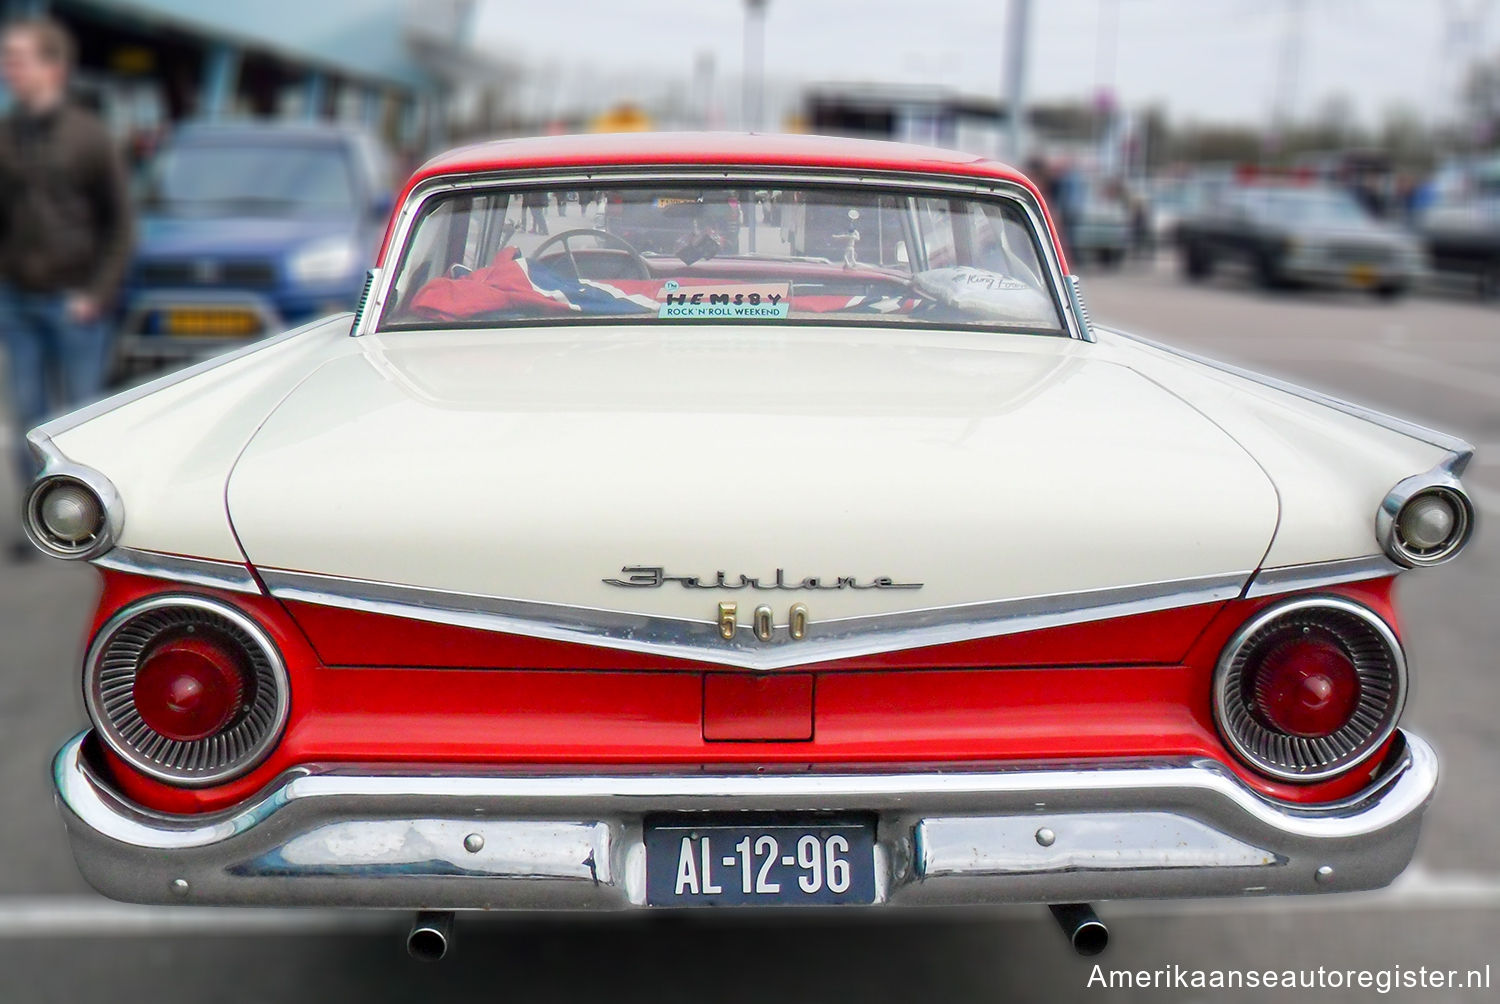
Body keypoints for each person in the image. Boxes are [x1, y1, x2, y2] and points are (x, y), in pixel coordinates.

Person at [0, 16, 132, 559]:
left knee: (82, 420)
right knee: (29, 418)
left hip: (75, 304)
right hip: (18, 301)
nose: (10, 68)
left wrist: (97, 292)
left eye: (19, 58)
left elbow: (120, 224)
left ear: (53, 67)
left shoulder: (89, 137)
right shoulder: (5, 135)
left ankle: (95, 526)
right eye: (6, 58)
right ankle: (41, 525)